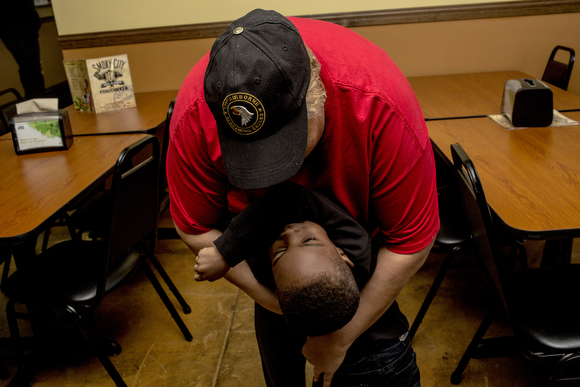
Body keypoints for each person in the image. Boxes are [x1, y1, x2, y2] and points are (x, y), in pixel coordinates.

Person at [166, 8, 439, 387]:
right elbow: (193, 225)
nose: (279, 178)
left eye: (288, 148)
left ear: (319, 97)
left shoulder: (378, 101)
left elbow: (411, 241)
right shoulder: (195, 115)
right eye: (251, 157)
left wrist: (340, 337)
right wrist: (272, 302)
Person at [0, 0, 45, 99]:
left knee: (25, 69)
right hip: (25, 29)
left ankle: (31, 101)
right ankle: (39, 103)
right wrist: (35, 24)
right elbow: (28, 9)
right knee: (33, 70)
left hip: (7, 33)